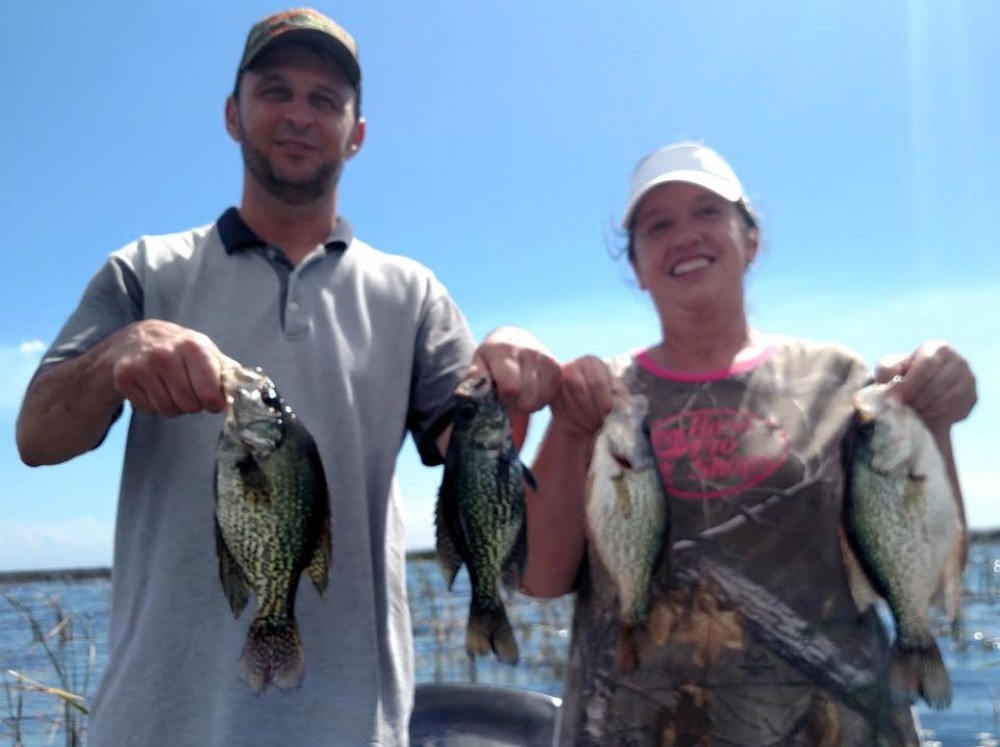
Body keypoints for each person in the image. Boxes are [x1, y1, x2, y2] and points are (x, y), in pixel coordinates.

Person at [15, 8, 560, 747]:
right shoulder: (144, 270)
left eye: (326, 100)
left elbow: (475, 448)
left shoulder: (412, 295)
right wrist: (119, 353)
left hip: (352, 725)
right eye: (275, 90)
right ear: (233, 113)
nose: (299, 115)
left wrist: (513, 355)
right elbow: (37, 436)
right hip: (155, 722)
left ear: (357, 133)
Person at [520, 142, 978, 746]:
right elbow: (540, 577)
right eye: (657, 225)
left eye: (707, 212)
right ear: (634, 265)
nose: (684, 234)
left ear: (751, 239)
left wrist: (934, 419)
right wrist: (570, 428)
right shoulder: (599, 396)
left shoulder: (838, 379)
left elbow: (919, 543)